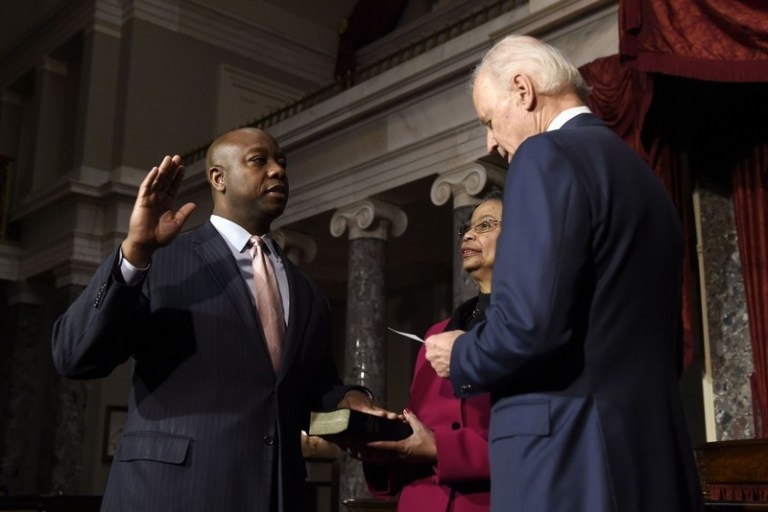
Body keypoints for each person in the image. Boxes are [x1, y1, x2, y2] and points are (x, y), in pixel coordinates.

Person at [424, 35, 704, 512]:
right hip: (652, 460)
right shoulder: (643, 178)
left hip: (570, 462)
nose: (491, 141)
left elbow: (529, 326)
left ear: (523, 90)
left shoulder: (545, 156)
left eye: (489, 121)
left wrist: (462, 353)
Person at [51, 127, 394, 512]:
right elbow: (74, 356)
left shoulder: (306, 292)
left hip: (277, 494)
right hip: (171, 494)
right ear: (219, 178)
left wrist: (349, 399)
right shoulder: (161, 260)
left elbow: (312, 386)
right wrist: (133, 253)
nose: (278, 170)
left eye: (282, 162)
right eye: (259, 161)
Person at [361, 192, 501, 512]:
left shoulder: (534, 327)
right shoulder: (435, 335)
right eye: (467, 227)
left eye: (486, 225)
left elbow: (535, 440)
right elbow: (419, 428)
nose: (468, 234)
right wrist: (386, 452)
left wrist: (441, 450)